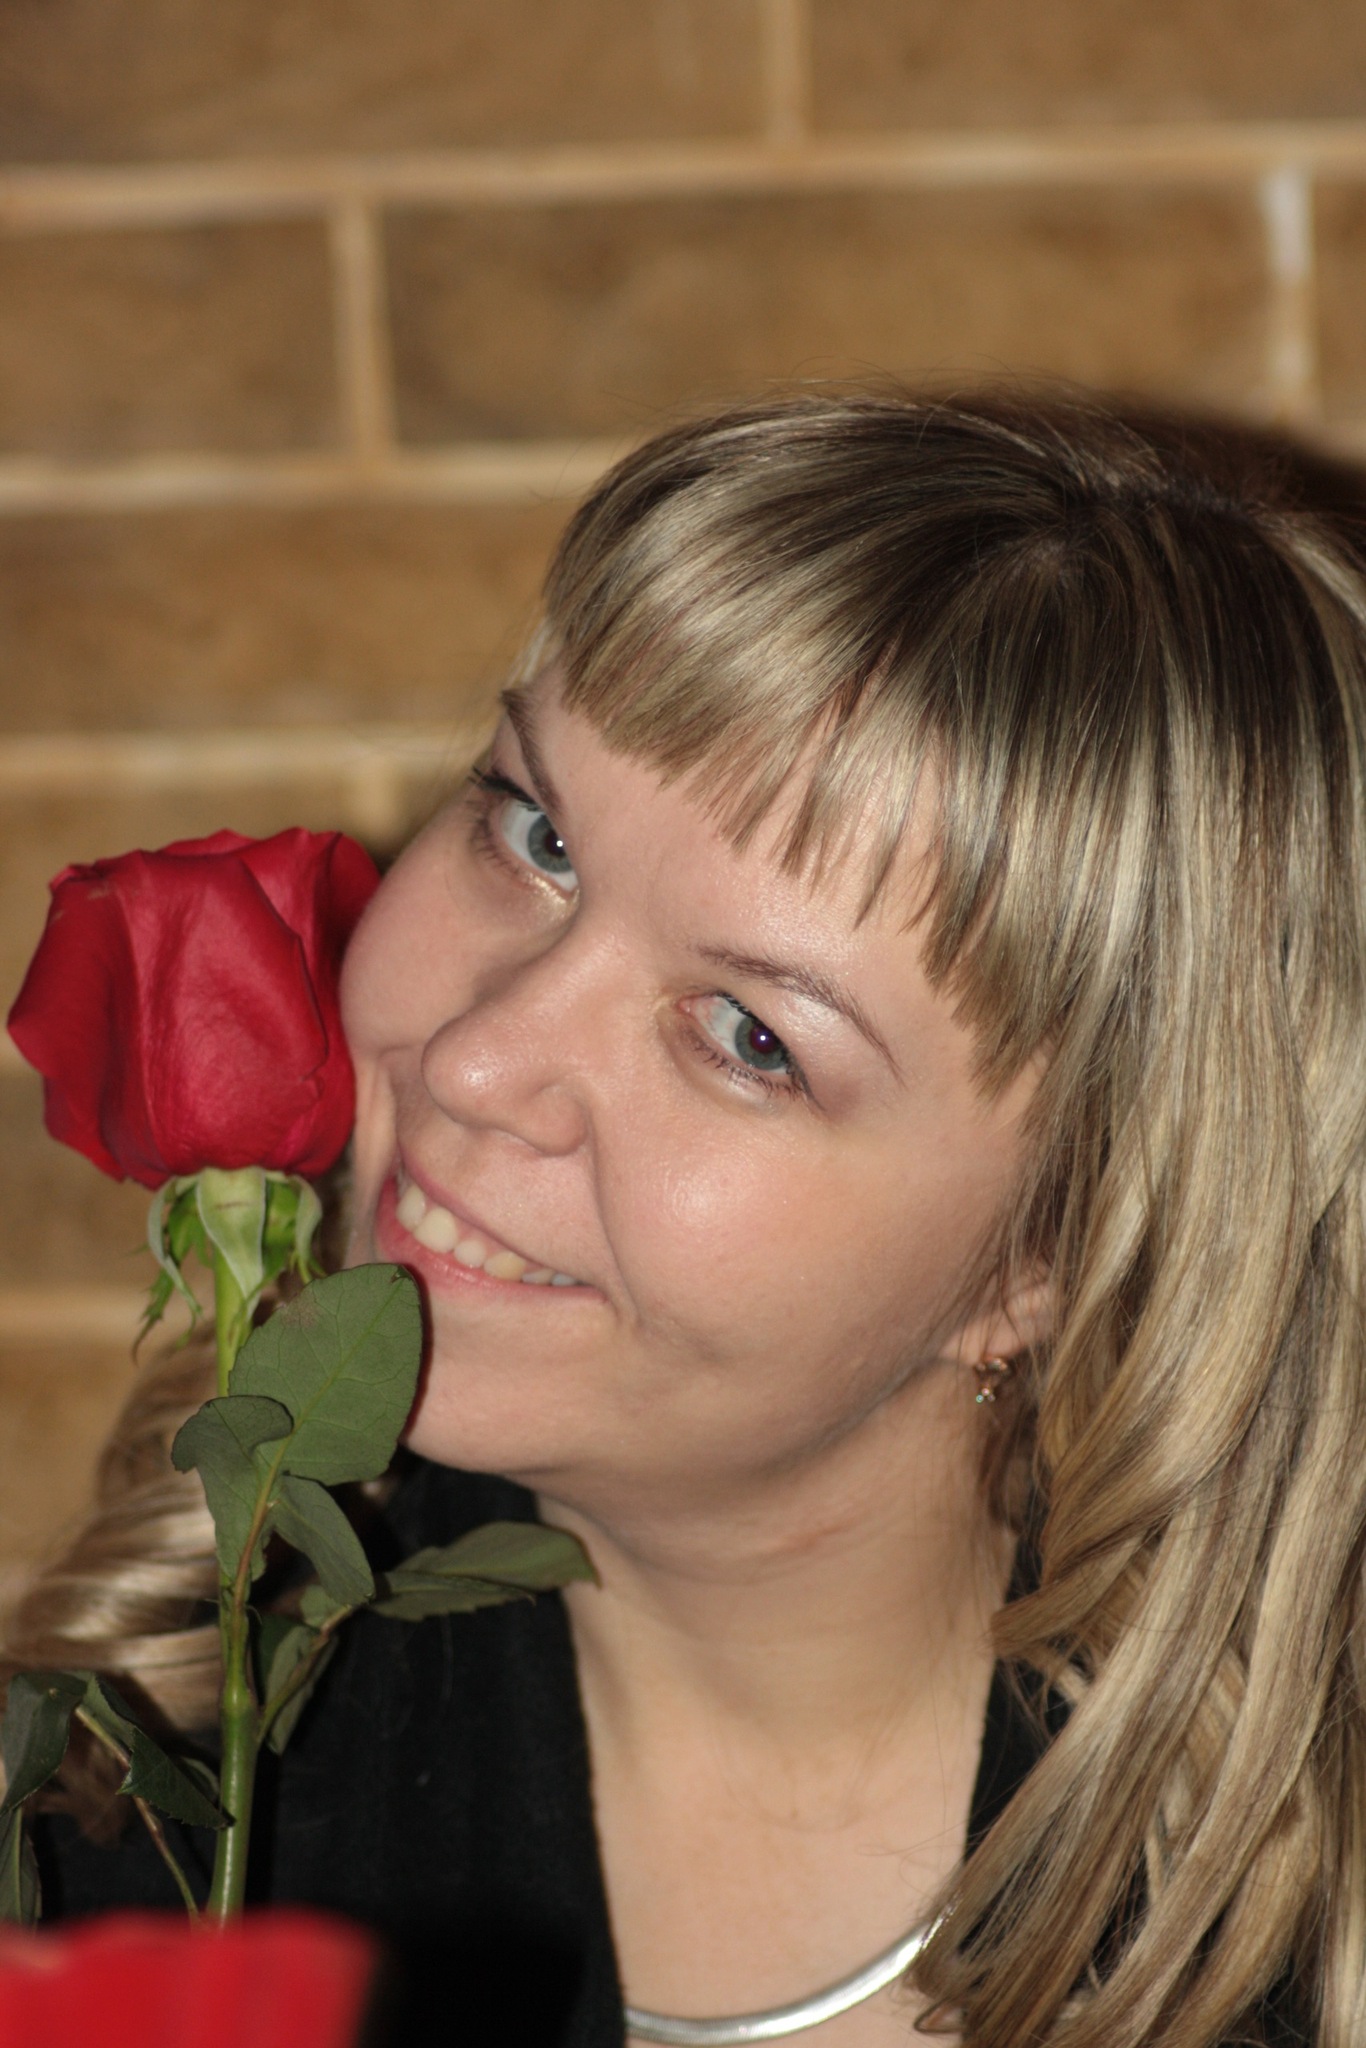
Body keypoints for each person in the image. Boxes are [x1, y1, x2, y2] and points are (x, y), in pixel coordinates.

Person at [5, 389, 1364, 2048]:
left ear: (1056, 1255)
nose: (476, 1058)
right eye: (537, 836)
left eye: (750, 1037)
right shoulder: (132, 1808)